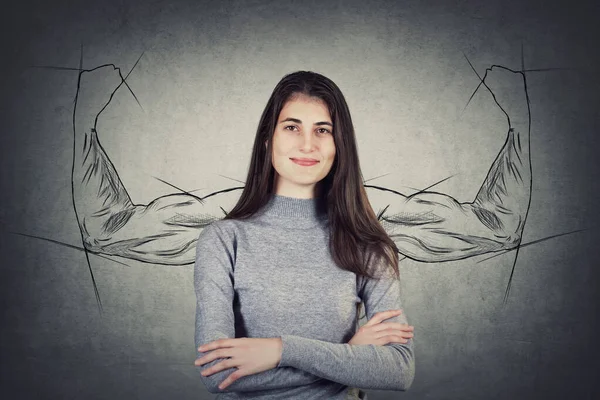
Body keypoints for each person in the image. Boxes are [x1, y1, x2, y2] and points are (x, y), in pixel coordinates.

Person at [193, 71, 415, 398]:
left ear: (339, 145)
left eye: (322, 130)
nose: (307, 144)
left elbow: (398, 370)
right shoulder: (224, 240)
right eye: (292, 127)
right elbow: (219, 373)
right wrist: (349, 357)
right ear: (269, 138)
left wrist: (282, 350)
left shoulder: (369, 245)